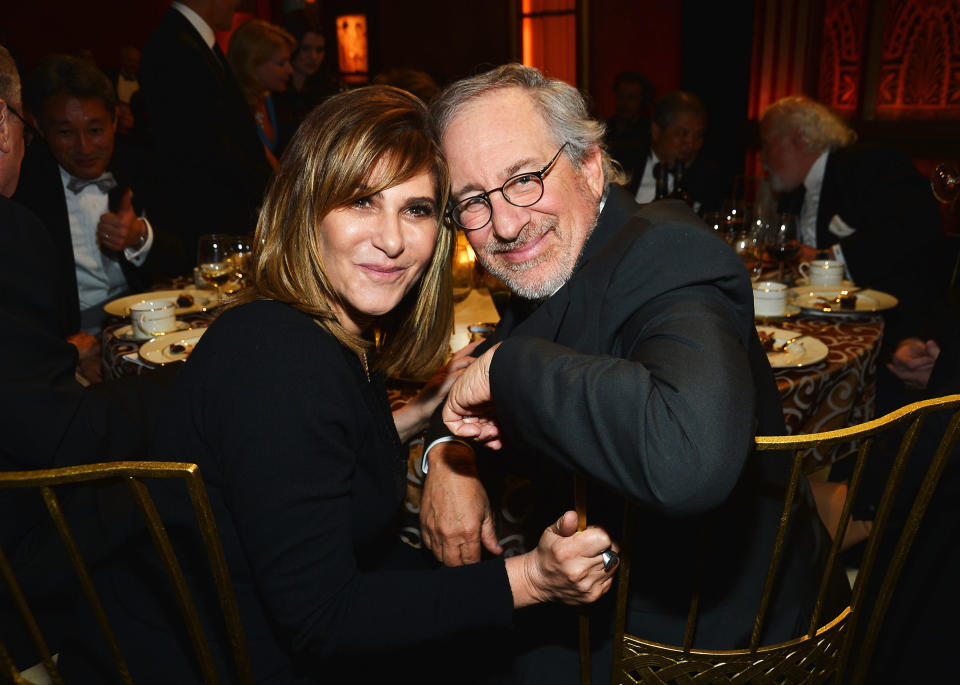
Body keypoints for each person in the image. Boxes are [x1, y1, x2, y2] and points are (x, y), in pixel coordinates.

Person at [54, 85, 617, 684]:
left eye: (417, 209)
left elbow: (314, 445)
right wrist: (533, 578)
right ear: (306, 207)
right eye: (361, 202)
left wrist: (423, 411)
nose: (393, 239)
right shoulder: (278, 359)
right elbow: (323, 619)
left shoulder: (321, 331)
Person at [419, 63, 846, 684]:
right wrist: (446, 454)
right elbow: (478, 376)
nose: (505, 225)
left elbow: (688, 458)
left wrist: (507, 368)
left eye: (523, 180)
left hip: (704, 641)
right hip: (608, 585)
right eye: (473, 202)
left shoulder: (667, 254)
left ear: (590, 167)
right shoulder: (559, 254)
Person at [13, 55, 182, 357]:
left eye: (95, 130)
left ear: (115, 120)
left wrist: (139, 237)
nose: (85, 148)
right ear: (39, 127)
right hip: (67, 344)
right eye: (65, 133)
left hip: (146, 331)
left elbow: (185, 255)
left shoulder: (143, 166)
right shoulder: (21, 187)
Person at [759, 95, 943, 348]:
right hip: (817, 327)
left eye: (767, 143)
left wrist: (826, 258)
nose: (762, 157)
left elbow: (913, 228)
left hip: (886, 333)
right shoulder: (793, 196)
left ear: (797, 138)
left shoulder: (869, 163)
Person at [139, 0, 273, 266]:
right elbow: (204, 146)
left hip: (220, 221)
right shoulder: (175, 46)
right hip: (202, 227)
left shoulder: (194, 41)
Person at [631, 90, 729, 213]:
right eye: (682, 134)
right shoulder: (625, 162)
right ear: (656, 131)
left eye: (698, 136)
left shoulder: (709, 177)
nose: (691, 144)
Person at [227, 19, 295, 170]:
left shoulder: (269, 98)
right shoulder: (232, 107)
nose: (290, 70)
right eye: (281, 63)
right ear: (253, 65)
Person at [274, 8, 337, 152]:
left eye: (319, 50)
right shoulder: (275, 90)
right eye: (306, 48)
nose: (313, 57)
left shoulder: (327, 91)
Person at [603, 71, 653, 190]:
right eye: (621, 96)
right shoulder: (604, 130)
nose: (625, 103)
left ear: (642, 100)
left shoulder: (649, 132)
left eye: (631, 97)